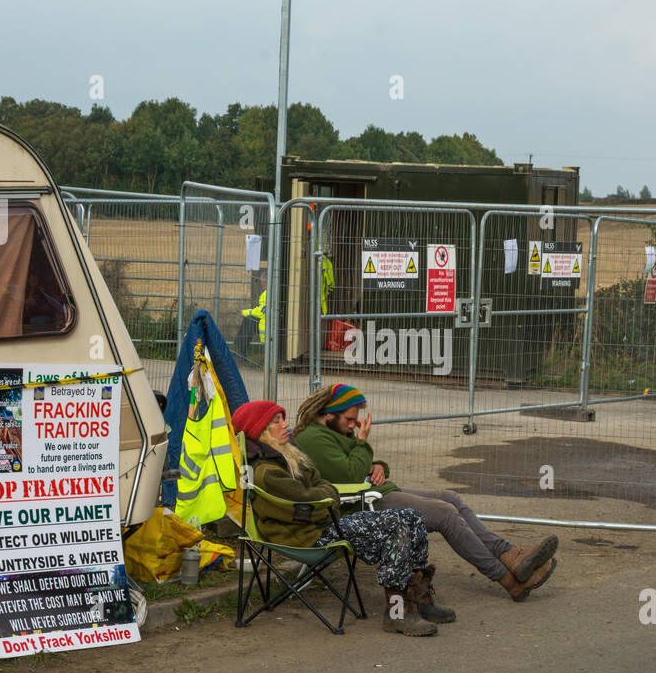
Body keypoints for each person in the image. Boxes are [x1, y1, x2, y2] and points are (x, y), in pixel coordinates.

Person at [293, 383, 559, 602]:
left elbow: (355, 462)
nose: (354, 425)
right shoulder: (313, 439)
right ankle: (509, 579)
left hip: (372, 491)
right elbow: (350, 472)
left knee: (451, 498)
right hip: (359, 505)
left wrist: (378, 465)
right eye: (349, 420)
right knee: (445, 514)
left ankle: (512, 555)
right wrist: (363, 444)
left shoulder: (329, 431)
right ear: (329, 413)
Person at [232, 400, 450, 636]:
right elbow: (308, 503)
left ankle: (419, 598)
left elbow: (321, 486)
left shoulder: (287, 457)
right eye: (277, 421)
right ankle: (397, 613)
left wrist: (324, 496)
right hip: (306, 537)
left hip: (320, 526)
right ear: (260, 429)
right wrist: (327, 498)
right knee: (395, 525)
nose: (286, 424)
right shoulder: (267, 471)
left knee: (412, 516)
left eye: (283, 418)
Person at [235, 273, 267, 358]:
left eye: (262, 282)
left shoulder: (268, 293)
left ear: (265, 282)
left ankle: (241, 351)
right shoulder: (267, 292)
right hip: (265, 321)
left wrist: (246, 312)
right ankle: (240, 348)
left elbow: (262, 311)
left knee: (248, 320)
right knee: (248, 320)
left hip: (266, 323)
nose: (261, 284)